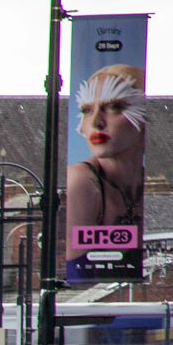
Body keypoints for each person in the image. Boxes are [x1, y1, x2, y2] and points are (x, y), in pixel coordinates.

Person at [65, 62, 145, 271]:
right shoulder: (81, 181)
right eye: (87, 110)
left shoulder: (143, 183)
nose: (96, 122)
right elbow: (79, 272)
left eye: (114, 107)